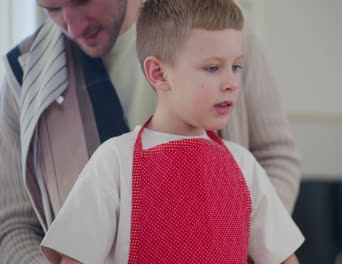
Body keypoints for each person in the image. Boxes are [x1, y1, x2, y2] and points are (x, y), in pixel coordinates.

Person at [0, 0, 301, 262]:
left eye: (83, 0)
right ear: (157, 73)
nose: (73, 27)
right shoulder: (25, 78)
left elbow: (276, 158)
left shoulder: (219, 25)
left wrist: (240, 240)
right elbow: (14, 226)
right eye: (52, 8)